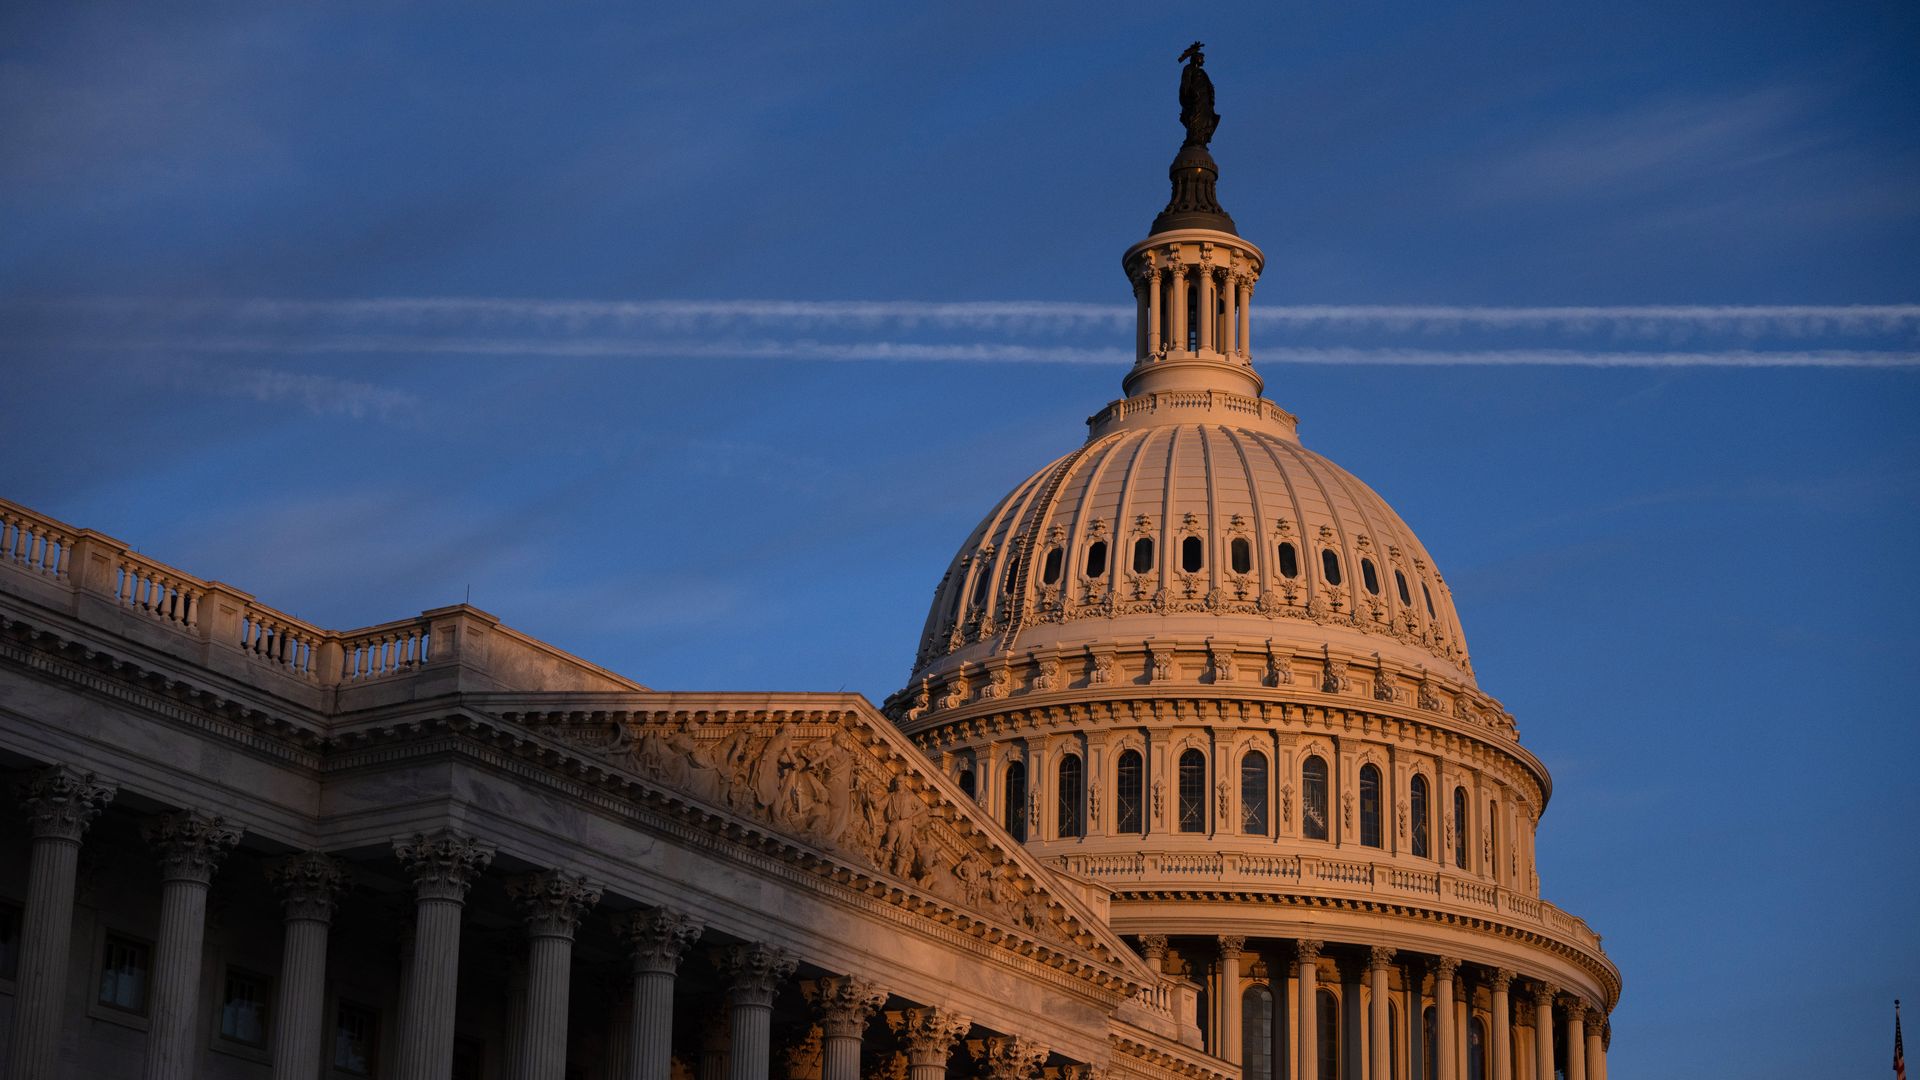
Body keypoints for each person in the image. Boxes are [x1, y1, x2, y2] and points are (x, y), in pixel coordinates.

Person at [1177, 42, 1219, 148]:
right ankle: (1193, 138)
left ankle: (1202, 138)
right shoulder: (1189, 69)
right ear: (1196, 58)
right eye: (1201, 58)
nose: (1203, 60)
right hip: (1196, 100)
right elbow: (1186, 84)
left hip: (1205, 101)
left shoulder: (1202, 72)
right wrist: (1192, 93)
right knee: (1195, 118)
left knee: (1207, 120)